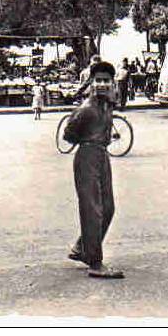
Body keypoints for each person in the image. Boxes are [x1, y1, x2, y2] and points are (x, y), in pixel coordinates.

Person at [62, 60, 124, 279]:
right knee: (93, 210)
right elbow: (68, 134)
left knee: (108, 208)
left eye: (106, 81)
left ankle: (82, 248)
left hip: (102, 156)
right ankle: (95, 263)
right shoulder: (86, 109)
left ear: (112, 83)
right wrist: (86, 141)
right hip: (87, 156)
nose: (102, 85)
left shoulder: (107, 105)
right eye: (98, 80)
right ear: (91, 82)